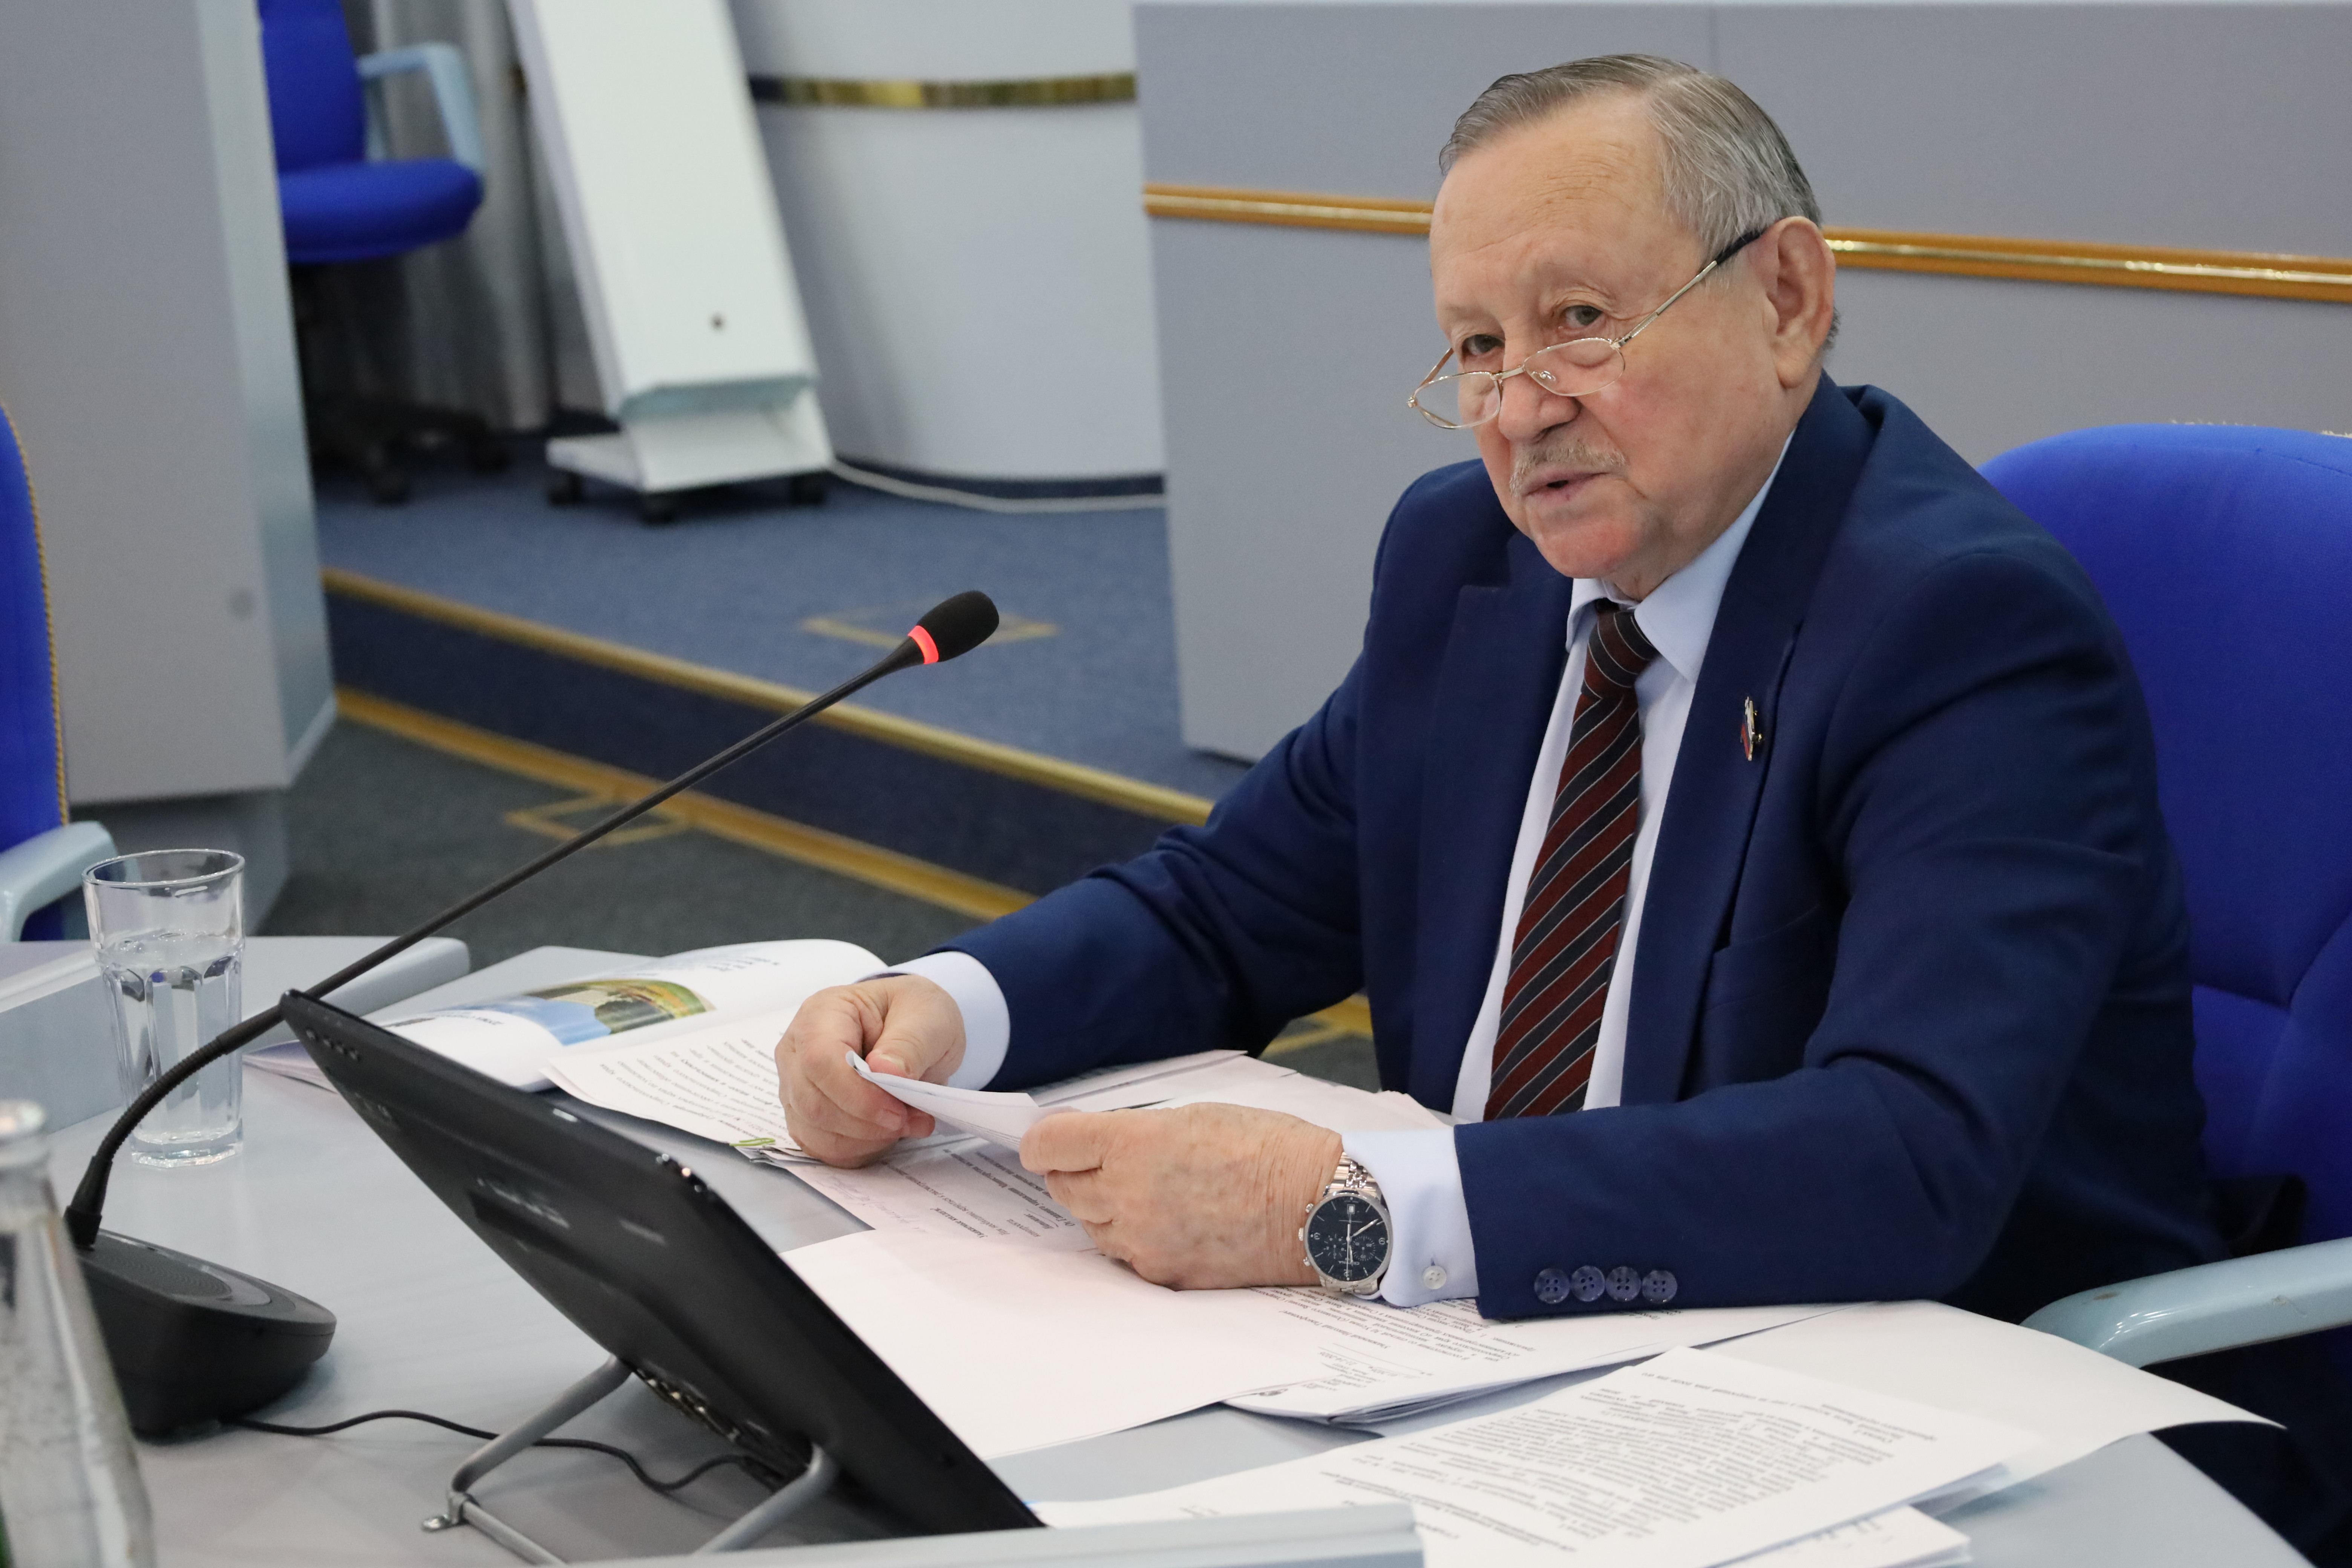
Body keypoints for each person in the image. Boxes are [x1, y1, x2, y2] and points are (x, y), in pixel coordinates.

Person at [775, 55, 2346, 1550]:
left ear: (1788, 299)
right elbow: (1232, 904)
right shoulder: (1469, 560)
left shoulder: (1960, 626)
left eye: (1580, 322)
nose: (1519, 408)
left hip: (1935, 1401)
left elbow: (1904, 1153)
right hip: (1509, 1363)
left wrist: (1344, 1206)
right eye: (1475, 347)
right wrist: (943, 1012)